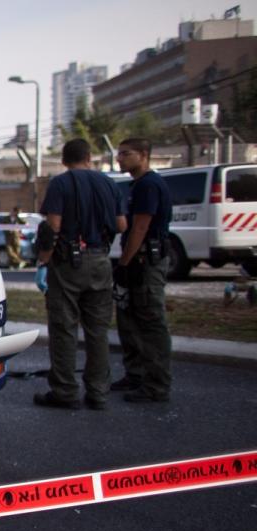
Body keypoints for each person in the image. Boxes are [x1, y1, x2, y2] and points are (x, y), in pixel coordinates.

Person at [32, 139, 127, 410]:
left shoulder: (61, 184)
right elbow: (121, 223)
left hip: (68, 264)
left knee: (64, 328)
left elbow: (53, 226)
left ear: (64, 160)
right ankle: (98, 392)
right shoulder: (109, 184)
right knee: (97, 331)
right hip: (101, 260)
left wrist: (43, 262)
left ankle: (65, 391)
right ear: (89, 157)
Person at [112, 138, 174, 403]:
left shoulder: (149, 184)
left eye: (126, 154)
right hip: (140, 260)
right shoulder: (137, 185)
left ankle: (156, 384)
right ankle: (135, 374)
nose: (120, 159)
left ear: (144, 155)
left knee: (150, 322)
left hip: (146, 261)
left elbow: (140, 228)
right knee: (131, 318)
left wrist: (124, 263)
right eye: (119, 154)